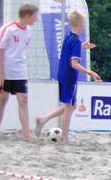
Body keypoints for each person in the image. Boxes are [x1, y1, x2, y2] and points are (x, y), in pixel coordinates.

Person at [34, 10, 101, 143]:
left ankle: (44, 119)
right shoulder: (76, 40)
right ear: (81, 23)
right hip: (69, 77)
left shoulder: (69, 36)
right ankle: (65, 139)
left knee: (71, 105)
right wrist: (90, 72)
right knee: (69, 108)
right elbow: (74, 63)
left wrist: (82, 46)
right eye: (85, 22)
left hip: (62, 74)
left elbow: (69, 50)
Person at [0, 3, 39, 138]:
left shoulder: (29, 31)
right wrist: (0, 74)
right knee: (3, 98)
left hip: (20, 70)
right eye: (35, 16)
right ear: (27, 16)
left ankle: (26, 132)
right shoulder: (8, 29)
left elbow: (23, 50)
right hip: (5, 70)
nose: (36, 19)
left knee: (23, 99)